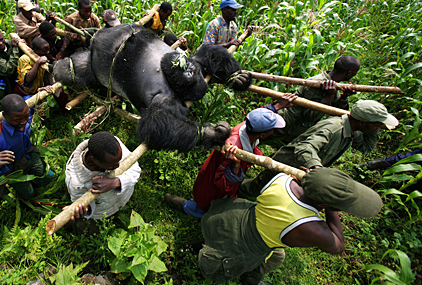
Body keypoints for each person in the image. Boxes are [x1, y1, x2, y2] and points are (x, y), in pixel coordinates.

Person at [198, 167, 382, 284]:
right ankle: (248, 278)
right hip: (241, 245)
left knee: (278, 256)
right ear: (325, 205)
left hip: (230, 215)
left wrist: (317, 182)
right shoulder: (310, 227)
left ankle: (251, 277)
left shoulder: (283, 179)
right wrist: (332, 209)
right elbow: (338, 246)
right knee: (272, 256)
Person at [165, 98, 294, 218]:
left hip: (209, 176)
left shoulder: (247, 126)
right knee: (206, 208)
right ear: (263, 134)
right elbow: (223, 185)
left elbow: (258, 116)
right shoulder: (233, 150)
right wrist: (236, 166)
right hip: (212, 189)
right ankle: (182, 205)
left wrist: (277, 106)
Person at [240, 99, 399, 196]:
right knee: (256, 188)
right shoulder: (333, 128)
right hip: (288, 163)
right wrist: (316, 167)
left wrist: (376, 127)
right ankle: (229, 192)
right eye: (376, 125)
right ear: (363, 122)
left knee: (273, 191)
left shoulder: (354, 131)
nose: (378, 128)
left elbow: (366, 147)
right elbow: (306, 147)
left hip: (300, 170)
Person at [0, 94, 55, 199]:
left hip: (28, 156)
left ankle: (35, 184)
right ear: (5, 116)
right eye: (17, 120)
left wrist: (44, 90)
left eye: (26, 116)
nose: (23, 122)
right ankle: (26, 194)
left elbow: (32, 97)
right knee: (29, 193)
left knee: (49, 176)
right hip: (13, 170)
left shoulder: (23, 111)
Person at [273, 55, 361, 142]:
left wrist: (344, 97)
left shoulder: (333, 84)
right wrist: (328, 97)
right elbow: (309, 116)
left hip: (294, 129)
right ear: (349, 73)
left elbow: (337, 113)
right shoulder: (317, 84)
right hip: (285, 127)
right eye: (355, 72)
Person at [65, 131, 141, 222]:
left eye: (119, 161)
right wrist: (86, 209)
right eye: (112, 165)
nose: (118, 166)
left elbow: (135, 169)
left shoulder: (113, 146)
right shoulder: (75, 181)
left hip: (124, 197)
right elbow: (83, 203)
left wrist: (116, 182)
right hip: (104, 212)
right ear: (94, 160)